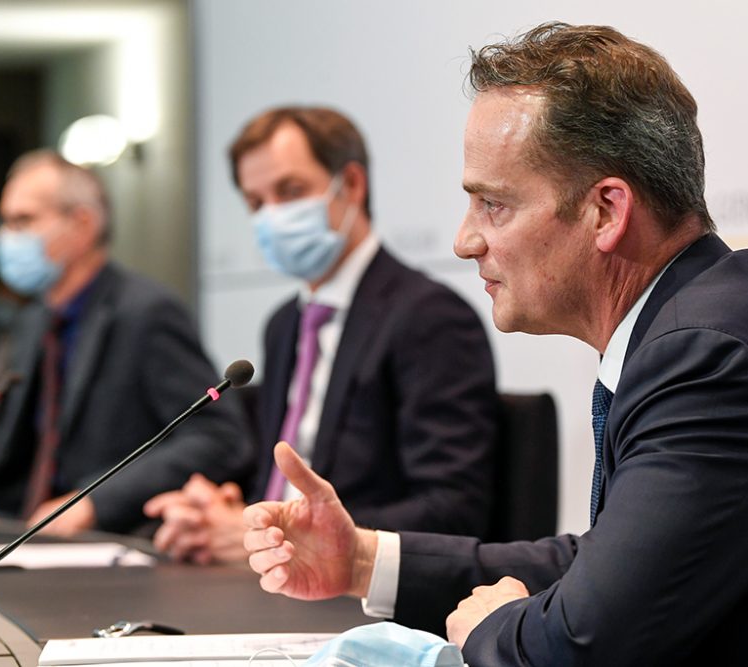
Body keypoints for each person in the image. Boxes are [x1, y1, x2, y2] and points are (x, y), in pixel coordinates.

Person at [241, 23, 748, 665]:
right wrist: (362, 560)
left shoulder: (711, 357)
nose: (464, 241)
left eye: (493, 205)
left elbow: (582, 642)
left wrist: (493, 627)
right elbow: (605, 564)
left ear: (606, 210)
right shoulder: (697, 320)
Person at [143, 107, 497, 564]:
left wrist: (287, 533)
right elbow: (283, 478)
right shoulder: (284, 323)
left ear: (351, 184)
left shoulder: (429, 317)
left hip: (357, 594)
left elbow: (452, 511)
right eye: (255, 202)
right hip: (269, 578)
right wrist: (226, 514)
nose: (271, 215)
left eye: (290, 191)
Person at [0, 150, 252, 536]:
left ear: (82, 223)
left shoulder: (146, 312)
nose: (8, 236)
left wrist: (92, 502)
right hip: (25, 537)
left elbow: (218, 437)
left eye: (24, 220)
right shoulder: (33, 322)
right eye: (5, 221)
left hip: (112, 541)